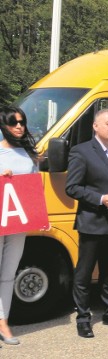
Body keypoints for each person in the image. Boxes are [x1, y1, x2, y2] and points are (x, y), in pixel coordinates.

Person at [65, 109, 108, 338]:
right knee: (84, 273)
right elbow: (72, 187)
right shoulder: (81, 151)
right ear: (95, 126)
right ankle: (83, 318)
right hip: (93, 221)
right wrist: (99, 199)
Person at [0, 107, 38, 345]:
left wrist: (39, 216)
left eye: (22, 122)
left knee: (9, 273)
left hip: (18, 220)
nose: (19, 126)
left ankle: (3, 321)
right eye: (14, 123)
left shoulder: (27, 153)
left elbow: (34, 186)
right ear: (4, 125)